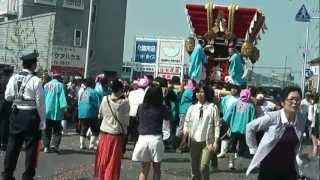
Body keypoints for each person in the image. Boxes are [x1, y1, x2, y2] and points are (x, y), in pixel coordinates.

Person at [1, 51, 46, 180]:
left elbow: (7, 97)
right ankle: (27, 176)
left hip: (16, 114)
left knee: (12, 145)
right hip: (31, 115)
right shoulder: (36, 80)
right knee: (31, 147)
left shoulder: (13, 77)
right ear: (33, 65)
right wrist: (42, 121)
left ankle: (7, 174)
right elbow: (40, 103)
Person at [246, 86, 306, 180]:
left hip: (289, 168)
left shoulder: (301, 119)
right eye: (291, 99)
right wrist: (253, 150)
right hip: (269, 168)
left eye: (298, 99)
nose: (295, 102)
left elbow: (300, 140)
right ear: (282, 102)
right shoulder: (272, 117)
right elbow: (250, 127)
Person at [180, 82, 220, 180]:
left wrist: (216, 141)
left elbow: (217, 125)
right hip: (194, 141)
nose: (199, 94)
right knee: (194, 168)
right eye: (197, 92)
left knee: (203, 166)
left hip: (208, 142)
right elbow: (186, 123)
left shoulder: (213, 107)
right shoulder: (192, 108)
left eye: (202, 92)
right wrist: (184, 138)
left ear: (206, 93)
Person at [132, 85, 170, 180]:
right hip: (156, 138)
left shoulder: (141, 107)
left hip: (143, 138)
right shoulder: (162, 108)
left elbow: (138, 119)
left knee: (144, 169)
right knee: (157, 169)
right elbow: (168, 118)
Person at [95, 80, 129, 180]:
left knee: (102, 160)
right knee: (113, 162)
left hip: (104, 134)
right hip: (116, 136)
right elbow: (126, 121)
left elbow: (100, 114)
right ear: (120, 90)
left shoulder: (105, 99)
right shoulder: (125, 102)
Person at [223, 88, 256, 169]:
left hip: (234, 129)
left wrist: (225, 124)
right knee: (242, 148)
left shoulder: (235, 104)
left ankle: (231, 162)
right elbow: (253, 120)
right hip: (245, 131)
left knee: (232, 147)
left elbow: (227, 116)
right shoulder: (251, 106)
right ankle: (241, 164)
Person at [43, 72, 68, 153]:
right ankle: (55, 145)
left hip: (47, 110)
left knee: (46, 129)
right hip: (56, 112)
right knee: (57, 129)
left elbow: (42, 97)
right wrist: (65, 109)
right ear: (59, 78)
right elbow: (62, 98)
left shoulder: (46, 85)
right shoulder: (60, 85)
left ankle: (46, 147)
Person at [217, 84, 240, 158]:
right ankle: (222, 152)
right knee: (224, 136)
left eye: (235, 89)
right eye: (232, 88)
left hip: (235, 120)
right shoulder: (226, 98)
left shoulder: (240, 99)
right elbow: (221, 108)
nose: (233, 90)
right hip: (226, 119)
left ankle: (235, 152)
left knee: (235, 136)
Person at [78, 78, 100, 150]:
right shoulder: (94, 92)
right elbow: (97, 104)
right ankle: (91, 145)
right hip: (91, 112)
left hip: (82, 113)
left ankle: (82, 144)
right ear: (92, 84)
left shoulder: (83, 92)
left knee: (84, 128)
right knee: (94, 129)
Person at [127, 78, 148, 148]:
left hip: (129, 114)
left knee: (126, 134)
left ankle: (121, 151)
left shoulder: (131, 93)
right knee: (137, 135)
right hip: (139, 116)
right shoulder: (145, 94)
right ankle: (135, 150)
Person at [176, 79, 195, 152]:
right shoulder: (189, 91)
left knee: (184, 128)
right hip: (185, 112)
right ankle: (179, 144)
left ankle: (182, 145)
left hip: (183, 111)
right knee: (183, 128)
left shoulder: (187, 90)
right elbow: (194, 98)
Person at [0, 67, 13, 151]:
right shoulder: (10, 81)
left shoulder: (1, 80)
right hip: (7, 104)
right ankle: (3, 143)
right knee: (5, 124)